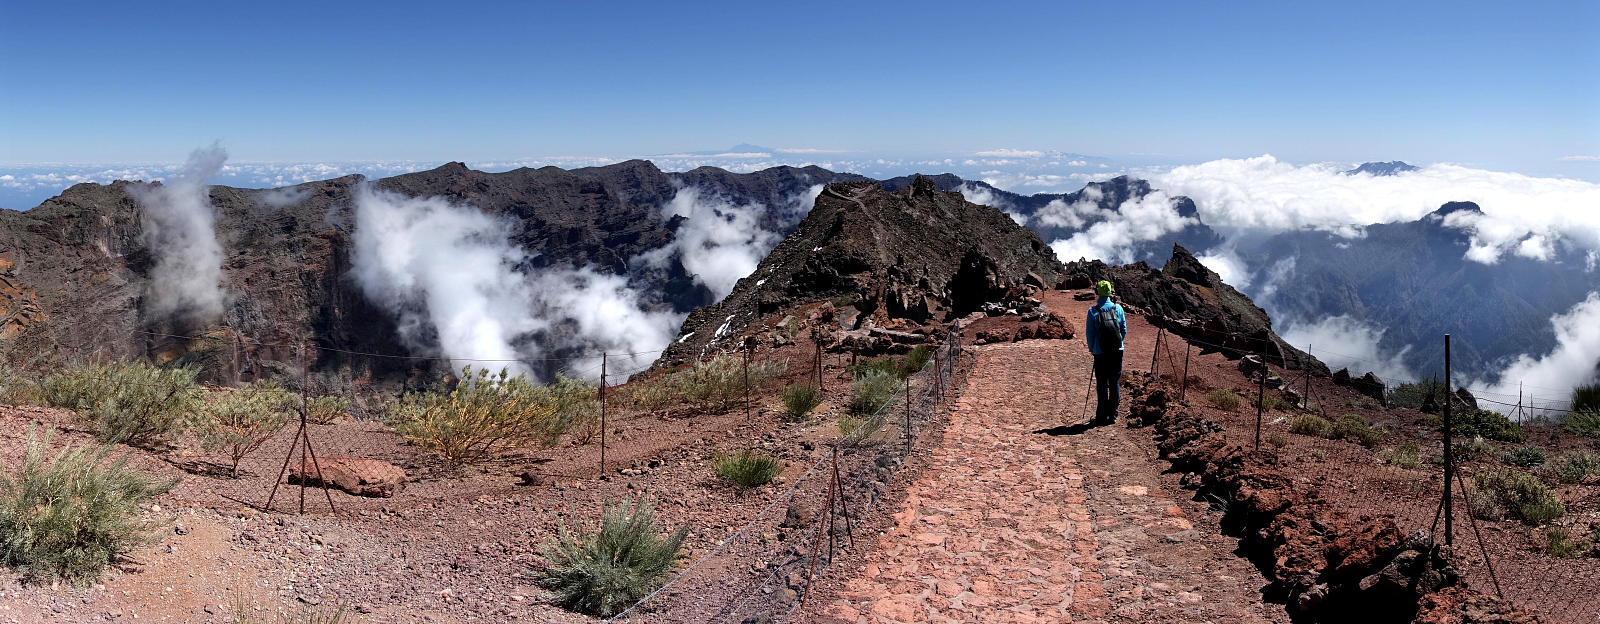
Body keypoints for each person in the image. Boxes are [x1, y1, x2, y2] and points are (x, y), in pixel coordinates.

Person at [1084, 280, 1127, 425]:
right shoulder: (1119, 309)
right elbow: (1123, 330)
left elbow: (1090, 334)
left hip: (1100, 352)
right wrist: (1118, 342)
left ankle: (1101, 415)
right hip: (1116, 351)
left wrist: (1092, 348)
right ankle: (1113, 414)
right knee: (1114, 382)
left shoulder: (1093, 311)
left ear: (1098, 292)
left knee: (1102, 384)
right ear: (1109, 292)